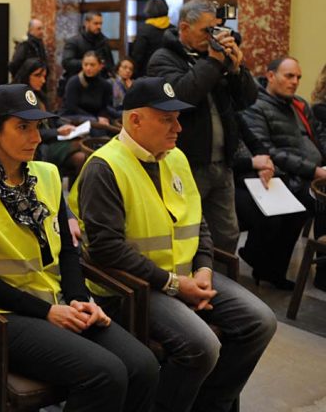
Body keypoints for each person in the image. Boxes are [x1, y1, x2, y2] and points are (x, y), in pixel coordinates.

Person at [0, 83, 158, 412]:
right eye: (22, 127)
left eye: (37, 127)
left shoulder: (47, 175)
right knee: (107, 373)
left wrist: (79, 299)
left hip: (58, 301)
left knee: (144, 366)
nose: (36, 137)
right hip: (1, 317)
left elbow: (68, 252)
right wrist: (46, 312)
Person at [70, 77, 276, 412]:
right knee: (203, 345)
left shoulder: (174, 157)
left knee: (261, 321)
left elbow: (198, 221)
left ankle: (209, 403)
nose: (178, 128)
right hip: (130, 288)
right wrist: (174, 284)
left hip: (184, 276)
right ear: (135, 120)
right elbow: (107, 249)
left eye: (177, 118)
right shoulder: (105, 167)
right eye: (167, 119)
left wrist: (205, 268)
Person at [147, 0, 259, 254]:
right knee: (187, 233)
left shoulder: (214, 58)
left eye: (216, 29)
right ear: (184, 28)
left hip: (222, 162)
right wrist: (214, 61)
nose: (213, 37)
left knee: (227, 234)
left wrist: (236, 69)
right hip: (187, 162)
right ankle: (192, 285)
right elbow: (182, 96)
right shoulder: (163, 58)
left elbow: (247, 100)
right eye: (206, 30)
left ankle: (221, 288)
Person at [241, 57, 326, 290]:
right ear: (270, 76)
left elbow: (318, 137)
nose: (295, 81)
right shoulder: (256, 106)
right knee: (317, 203)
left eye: (298, 77)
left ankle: (273, 265)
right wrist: (314, 170)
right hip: (283, 176)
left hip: (310, 175)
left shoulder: (299, 104)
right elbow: (268, 150)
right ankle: (320, 273)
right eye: (289, 76)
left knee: (318, 200)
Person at [60, 11, 115, 96]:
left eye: (100, 23)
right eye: (96, 23)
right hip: (78, 85)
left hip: (99, 86)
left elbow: (110, 64)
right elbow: (67, 62)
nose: (99, 26)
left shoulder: (104, 42)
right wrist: (89, 64)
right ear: (87, 23)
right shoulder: (74, 42)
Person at [63, 51, 116, 125]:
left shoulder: (106, 85)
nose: (88, 68)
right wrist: (95, 119)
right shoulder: (74, 82)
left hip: (99, 119)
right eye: (85, 64)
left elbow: (106, 107)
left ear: (100, 66)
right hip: (76, 119)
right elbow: (71, 108)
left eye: (92, 65)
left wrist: (102, 117)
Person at [131, 0, 176, 77]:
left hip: (148, 74)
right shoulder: (173, 30)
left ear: (148, 11)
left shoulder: (144, 30)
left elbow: (137, 56)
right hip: (170, 74)